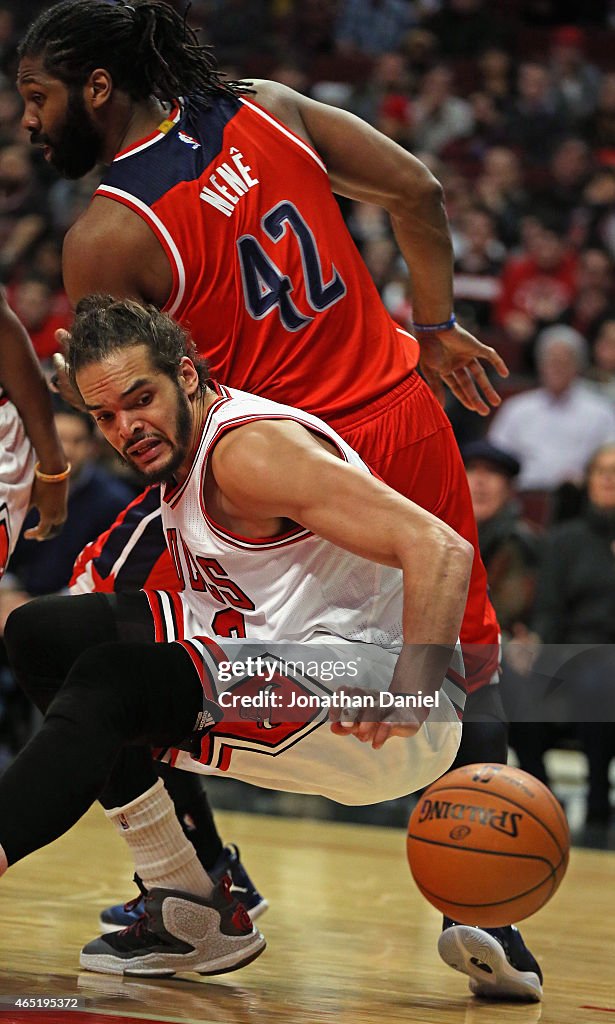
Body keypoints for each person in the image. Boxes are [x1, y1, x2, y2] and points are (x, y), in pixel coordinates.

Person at [16, 0, 543, 1000]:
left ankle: (194, 891)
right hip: (400, 409)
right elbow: (418, 192)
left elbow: (127, 395)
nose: (27, 122)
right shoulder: (263, 107)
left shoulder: (107, 235)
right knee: (466, 652)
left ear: (96, 88)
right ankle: (486, 912)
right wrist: (433, 323)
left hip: (276, 468)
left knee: (89, 635)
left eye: (36, 97)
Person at [1, 296, 470, 977]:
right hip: (279, 640)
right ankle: (188, 903)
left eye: (141, 399)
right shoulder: (184, 449)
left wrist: (413, 693)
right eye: (106, 416)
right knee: (43, 633)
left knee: (114, 687)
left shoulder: (248, 452)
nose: (127, 427)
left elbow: (439, 547)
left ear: (187, 376)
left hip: (373, 692)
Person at [488, 325, 615, 491]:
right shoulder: (517, 408)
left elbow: (609, 458)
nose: (557, 367)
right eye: (551, 360)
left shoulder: (600, 412)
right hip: (521, 494)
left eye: (564, 361)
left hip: (578, 496)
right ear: (540, 364)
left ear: (578, 366)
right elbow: (495, 457)